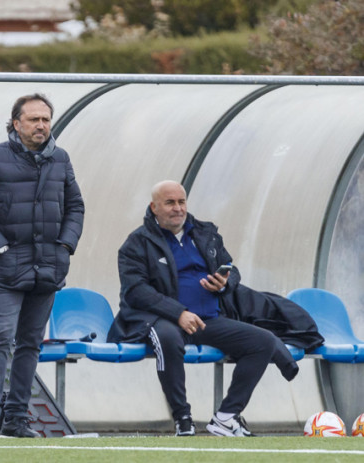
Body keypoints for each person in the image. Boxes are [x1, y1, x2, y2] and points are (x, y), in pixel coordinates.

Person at [108, 180, 298, 437]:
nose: (178, 208)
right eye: (170, 202)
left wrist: (224, 283)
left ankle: (226, 417)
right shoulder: (136, 243)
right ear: (154, 207)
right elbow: (136, 291)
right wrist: (178, 313)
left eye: (181, 201)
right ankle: (182, 417)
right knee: (166, 338)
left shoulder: (205, 233)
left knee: (262, 341)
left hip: (209, 319)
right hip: (162, 320)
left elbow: (231, 268)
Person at [0, 93, 85, 438]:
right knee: (0, 338)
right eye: (34, 119)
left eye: (45, 119)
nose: (41, 125)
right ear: (16, 123)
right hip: (6, 267)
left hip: (48, 267)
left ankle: (16, 419)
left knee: (31, 343)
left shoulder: (60, 159)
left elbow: (75, 207)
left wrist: (65, 246)